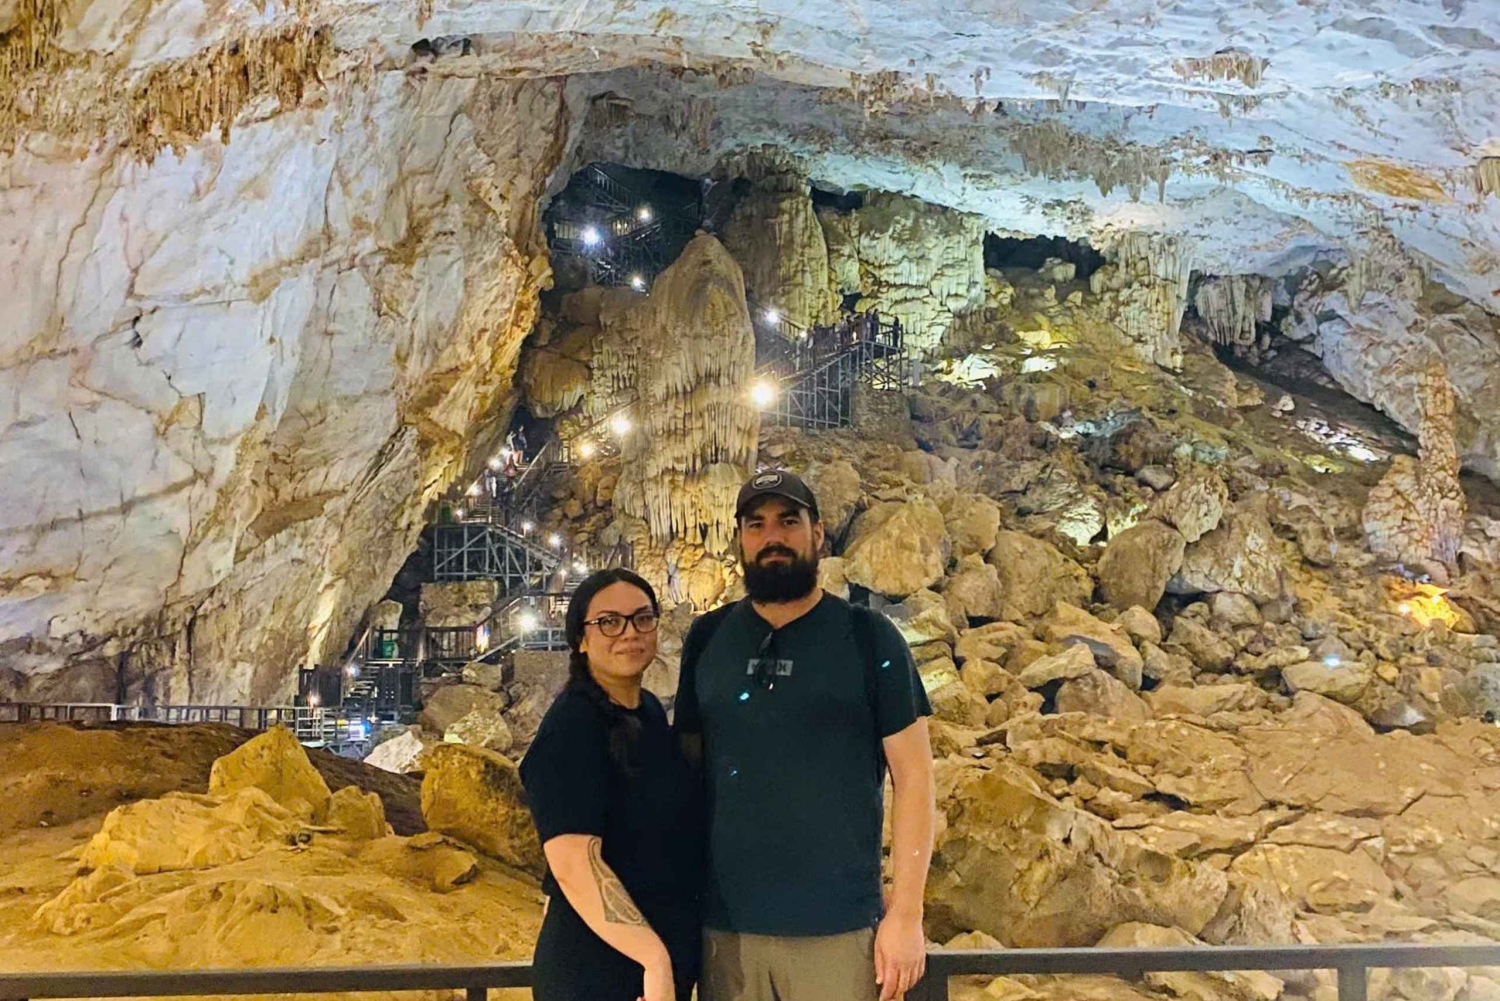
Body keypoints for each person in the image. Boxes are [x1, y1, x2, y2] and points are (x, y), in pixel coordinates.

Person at [675, 470, 935, 1001]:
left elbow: (915, 777)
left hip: (838, 931)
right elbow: (684, 776)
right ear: (740, 538)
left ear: (817, 533)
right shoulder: (707, 638)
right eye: (756, 524)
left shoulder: (870, 637)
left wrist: (907, 913)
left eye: (788, 521)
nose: (772, 536)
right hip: (727, 933)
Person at [520, 569, 702, 1001]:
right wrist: (654, 960)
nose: (629, 633)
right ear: (580, 639)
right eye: (609, 622)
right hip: (603, 970)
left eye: (642, 618)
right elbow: (573, 864)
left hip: (652, 964)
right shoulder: (573, 725)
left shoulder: (648, 712)